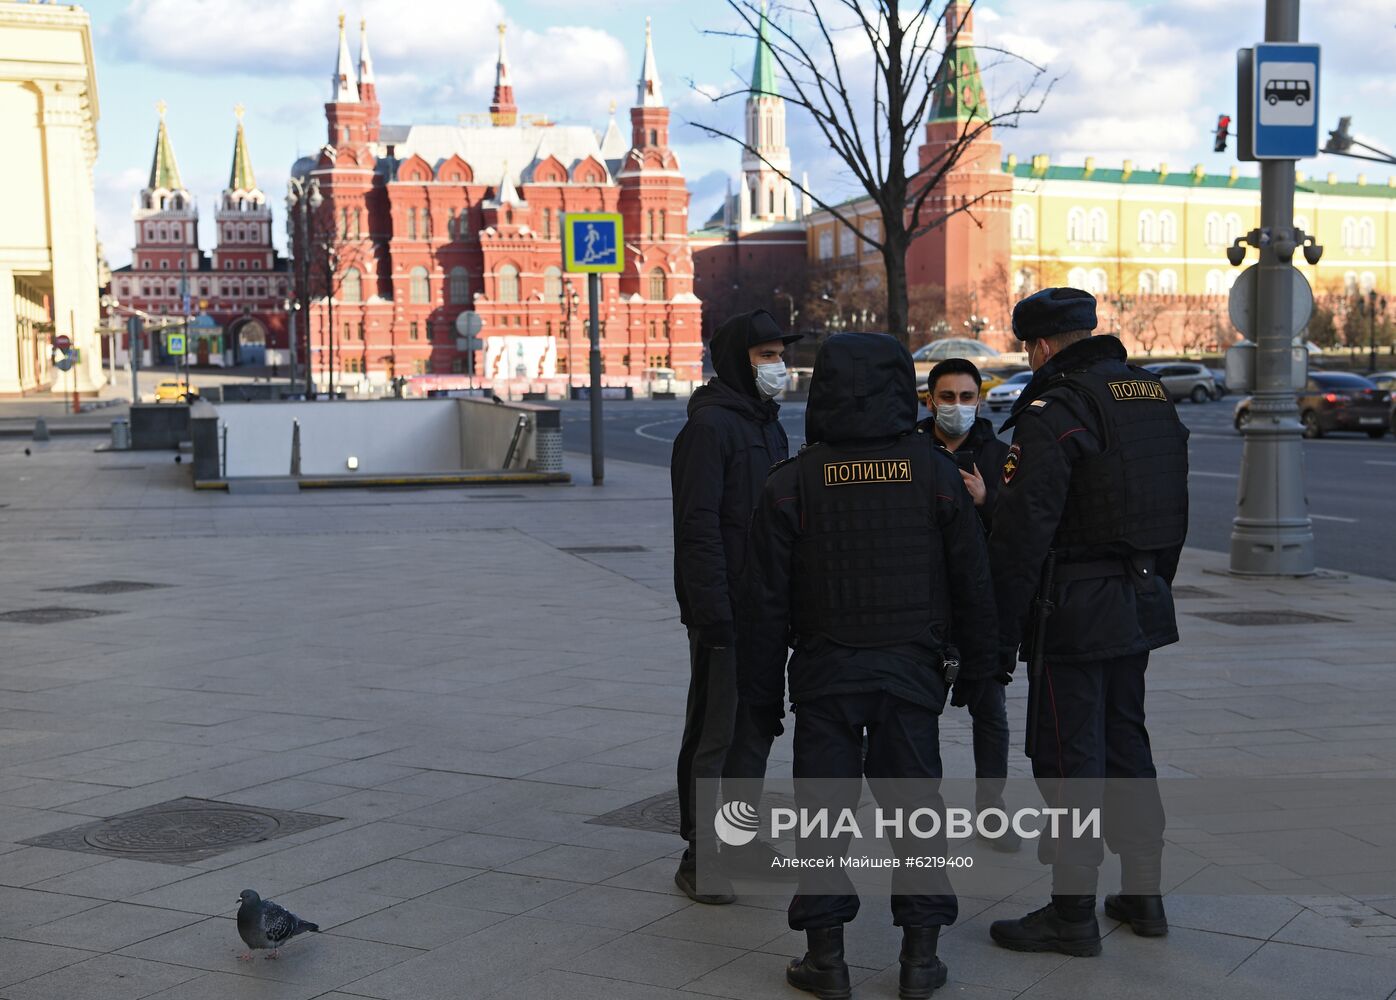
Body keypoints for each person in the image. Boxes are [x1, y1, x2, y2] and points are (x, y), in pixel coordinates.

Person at [740, 332, 997, 999]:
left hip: (826, 675)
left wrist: (762, 703)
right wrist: (979, 672)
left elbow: (763, 610)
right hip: (911, 673)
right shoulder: (937, 476)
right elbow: (974, 582)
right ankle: (920, 959)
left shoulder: (790, 483)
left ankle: (825, 959)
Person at [986, 287, 1188, 957]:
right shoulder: (1150, 395)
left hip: (1072, 608)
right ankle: (1144, 893)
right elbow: (1174, 509)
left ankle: (1072, 912)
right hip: (1138, 596)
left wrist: (1002, 628)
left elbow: (1025, 527)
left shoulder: (1057, 407)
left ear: (1041, 346)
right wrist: (1154, 581)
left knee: (1071, 755)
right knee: (1127, 744)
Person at [671, 309, 801, 905]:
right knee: (715, 733)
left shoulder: (766, 423)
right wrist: (712, 612)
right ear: (735, 361)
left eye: (779, 355)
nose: (778, 367)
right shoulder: (710, 429)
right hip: (726, 610)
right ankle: (701, 857)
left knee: (756, 729)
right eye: (765, 356)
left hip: (769, 607)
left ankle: (741, 840)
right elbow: (696, 529)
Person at [918, 358, 1018, 853]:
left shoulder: (1000, 456)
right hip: (926, 603)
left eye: (966, 397)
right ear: (929, 400)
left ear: (979, 399)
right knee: (918, 709)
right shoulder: (912, 452)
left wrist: (988, 502)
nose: (957, 406)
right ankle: (922, 814)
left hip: (983, 606)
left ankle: (991, 810)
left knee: (990, 711)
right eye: (947, 397)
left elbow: (1025, 529)